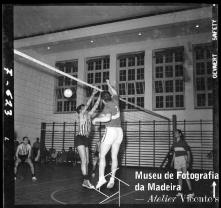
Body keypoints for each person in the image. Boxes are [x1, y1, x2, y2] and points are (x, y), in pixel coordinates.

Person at [92, 80, 123, 189]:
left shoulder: (106, 106)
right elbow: (115, 92)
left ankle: (101, 178)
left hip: (111, 131)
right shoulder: (115, 100)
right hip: (119, 132)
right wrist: (109, 84)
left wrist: (96, 119)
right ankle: (112, 179)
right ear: (109, 96)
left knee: (102, 155)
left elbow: (108, 118)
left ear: (102, 100)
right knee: (114, 157)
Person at [75, 88, 101, 189]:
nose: (85, 108)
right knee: (84, 160)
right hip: (80, 138)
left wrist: (99, 96)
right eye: (83, 107)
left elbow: (95, 106)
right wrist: (93, 94)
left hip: (86, 139)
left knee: (88, 162)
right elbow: (88, 105)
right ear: (80, 110)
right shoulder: (81, 115)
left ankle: (85, 181)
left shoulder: (89, 115)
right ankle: (86, 181)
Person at [170, 129, 194, 198]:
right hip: (177, 160)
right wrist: (172, 161)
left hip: (183, 159)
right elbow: (175, 153)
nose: (175, 134)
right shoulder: (174, 143)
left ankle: (191, 192)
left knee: (186, 176)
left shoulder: (184, 142)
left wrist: (188, 162)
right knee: (179, 177)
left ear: (180, 134)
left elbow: (188, 153)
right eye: (175, 133)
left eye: (177, 133)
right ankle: (180, 192)